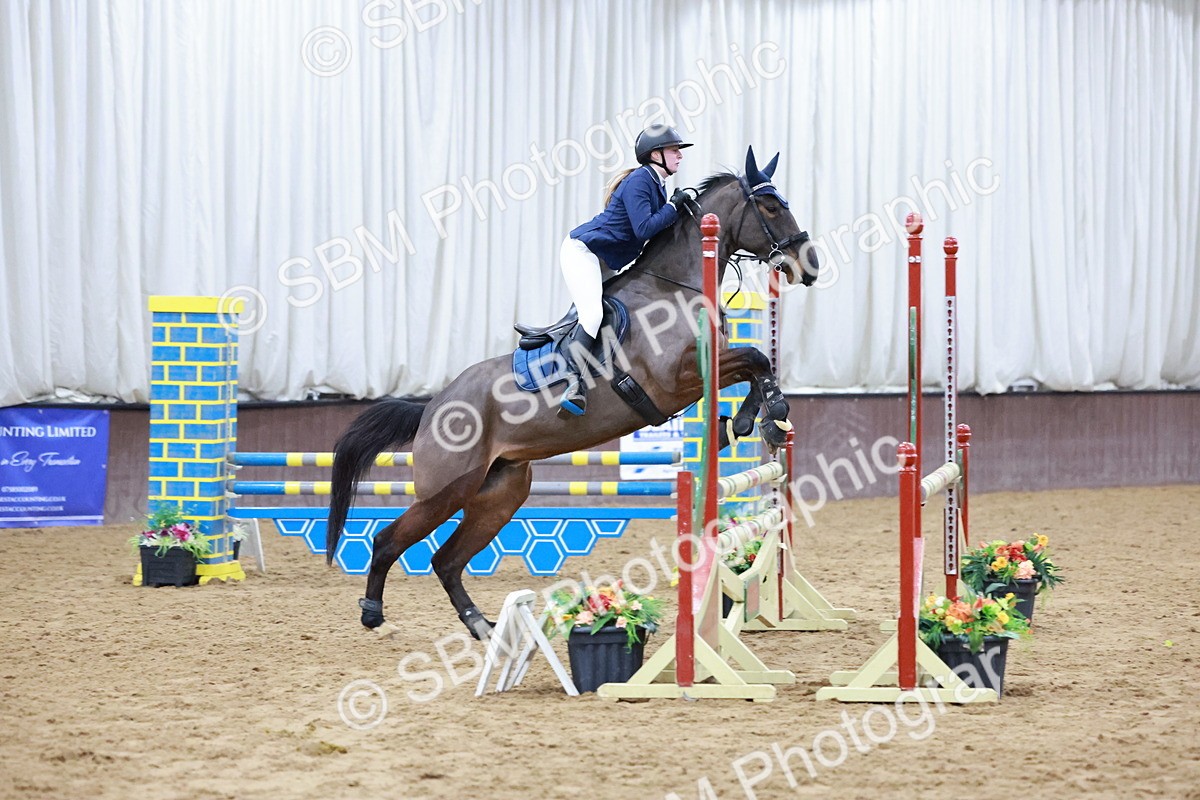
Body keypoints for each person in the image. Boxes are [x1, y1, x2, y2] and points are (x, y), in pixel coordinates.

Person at [557, 123, 696, 417]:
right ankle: (572, 382)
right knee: (592, 314)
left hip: (605, 259)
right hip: (583, 251)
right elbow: (644, 228)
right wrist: (672, 207)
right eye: (674, 150)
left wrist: (679, 211)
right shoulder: (641, 181)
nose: (679, 156)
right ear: (655, 154)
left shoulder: (656, 183)